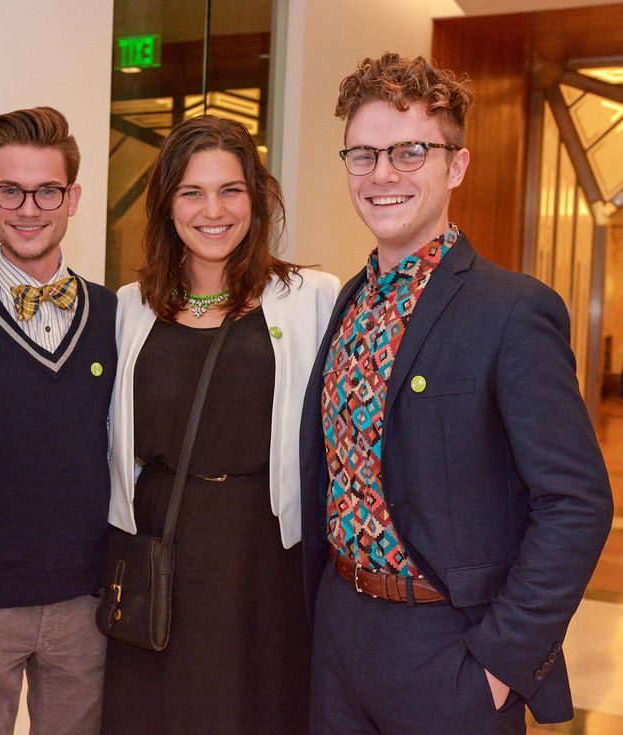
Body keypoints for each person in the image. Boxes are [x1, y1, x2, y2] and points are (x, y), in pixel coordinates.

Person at [300, 53, 613, 734]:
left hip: (449, 649)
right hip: (340, 631)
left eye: (410, 151)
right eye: (364, 154)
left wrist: (500, 662)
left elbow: (577, 501)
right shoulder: (349, 302)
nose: (383, 174)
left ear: (457, 165)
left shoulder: (512, 311)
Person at [103, 115, 340, 733]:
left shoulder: (311, 297)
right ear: (167, 206)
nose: (214, 209)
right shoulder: (130, 307)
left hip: (264, 553)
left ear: (256, 201)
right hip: (159, 547)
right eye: (192, 192)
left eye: (230, 189)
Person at [0, 106, 116, 735]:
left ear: (74, 198)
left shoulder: (120, 317)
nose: (29, 208)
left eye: (47, 190)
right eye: (10, 189)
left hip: (86, 601)